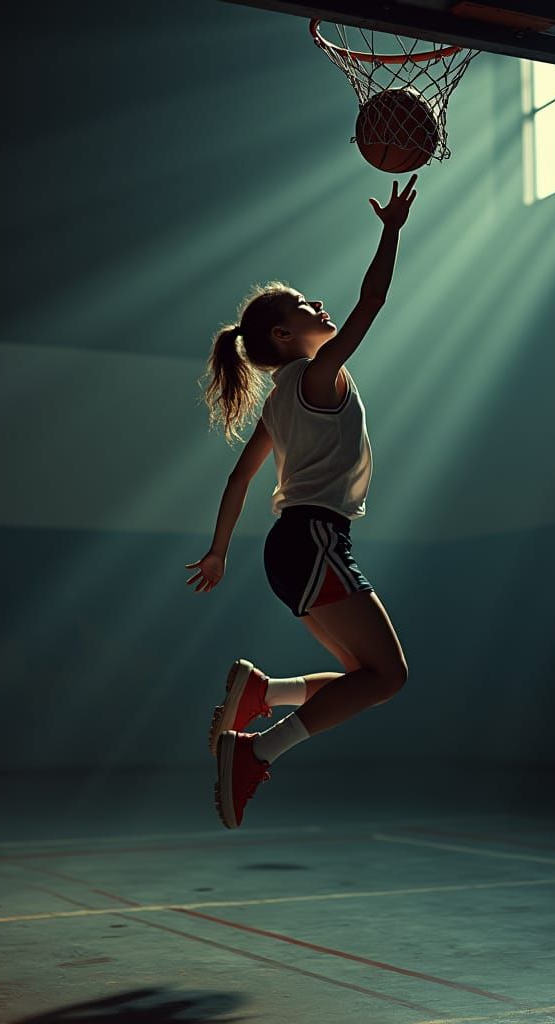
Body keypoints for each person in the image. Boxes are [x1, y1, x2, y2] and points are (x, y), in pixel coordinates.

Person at [186, 175, 418, 829]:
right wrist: (391, 230)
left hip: (294, 547)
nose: (322, 305)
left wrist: (217, 552)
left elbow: (238, 481)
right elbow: (371, 302)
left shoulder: (280, 400)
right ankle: (257, 750)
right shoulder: (317, 376)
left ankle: (266, 694)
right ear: (286, 335)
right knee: (389, 677)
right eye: (305, 305)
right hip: (314, 539)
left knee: (363, 679)